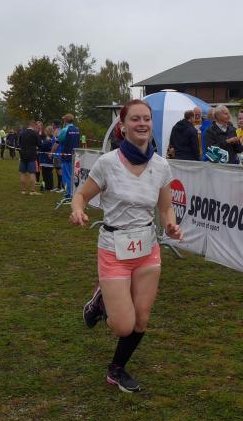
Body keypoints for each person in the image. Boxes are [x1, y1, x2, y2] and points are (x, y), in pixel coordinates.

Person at [70, 100, 183, 393]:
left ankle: (116, 370)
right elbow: (81, 195)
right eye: (135, 119)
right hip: (114, 248)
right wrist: (78, 210)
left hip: (147, 248)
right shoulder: (108, 163)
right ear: (123, 126)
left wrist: (171, 224)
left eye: (146, 118)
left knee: (141, 319)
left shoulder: (161, 165)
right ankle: (100, 300)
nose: (142, 123)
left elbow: (166, 208)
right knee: (122, 325)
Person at [55, 113, 80, 202]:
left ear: (65, 120)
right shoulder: (77, 129)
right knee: (74, 176)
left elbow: (58, 141)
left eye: (63, 120)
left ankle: (68, 195)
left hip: (66, 156)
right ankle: (74, 193)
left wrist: (51, 152)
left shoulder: (65, 130)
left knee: (66, 176)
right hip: (75, 156)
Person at [18, 120, 41, 195]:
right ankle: (32, 191)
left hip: (23, 155)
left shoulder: (22, 133)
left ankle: (23, 190)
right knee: (32, 173)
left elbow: (19, 143)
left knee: (22, 173)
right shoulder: (35, 133)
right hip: (32, 156)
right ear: (33, 125)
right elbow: (39, 144)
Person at [38, 125, 56, 192]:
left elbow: (43, 146)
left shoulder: (49, 139)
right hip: (47, 158)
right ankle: (48, 185)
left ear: (48, 131)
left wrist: (41, 144)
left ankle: (49, 186)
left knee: (46, 173)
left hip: (46, 158)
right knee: (47, 172)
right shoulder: (51, 138)